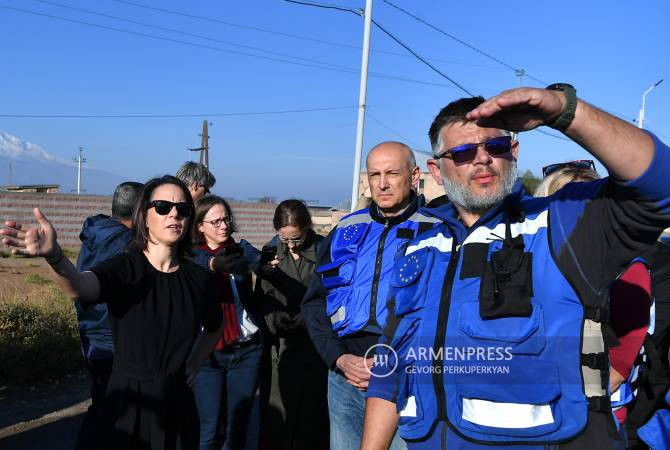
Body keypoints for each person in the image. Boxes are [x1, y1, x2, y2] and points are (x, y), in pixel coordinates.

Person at [361, 86, 670, 449]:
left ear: (514, 152)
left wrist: (565, 112)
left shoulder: (560, 224)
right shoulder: (420, 248)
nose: (482, 160)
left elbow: (659, 189)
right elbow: (392, 364)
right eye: (462, 153)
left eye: (494, 147)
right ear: (437, 170)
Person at [1, 175, 224, 450]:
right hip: (125, 402)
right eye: (163, 207)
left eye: (183, 209)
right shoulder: (126, 267)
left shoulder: (199, 279)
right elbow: (82, 287)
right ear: (143, 216)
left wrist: (193, 364)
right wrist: (55, 256)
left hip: (176, 405)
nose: (174, 214)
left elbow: (215, 326)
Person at [302, 141, 441, 450]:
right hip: (345, 377)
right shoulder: (345, 230)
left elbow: (449, 312)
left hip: (407, 378)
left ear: (414, 176)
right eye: (375, 174)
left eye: (392, 173)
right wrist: (339, 357)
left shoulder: (439, 231)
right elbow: (314, 303)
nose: (382, 183)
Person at [537, 164, 670, 448]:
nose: (574, 221)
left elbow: (618, 369)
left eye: (588, 209)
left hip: (591, 416)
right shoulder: (530, 265)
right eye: (564, 209)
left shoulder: (628, 271)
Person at [73, 180, 143, 450]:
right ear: (139, 212)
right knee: (113, 410)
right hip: (112, 334)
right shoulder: (125, 243)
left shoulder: (96, 232)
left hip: (91, 331)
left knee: (103, 402)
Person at [191, 194, 264, 450]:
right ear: (200, 226)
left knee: (237, 428)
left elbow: (262, 263)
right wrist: (214, 264)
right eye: (216, 222)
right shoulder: (191, 259)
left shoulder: (239, 251)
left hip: (247, 350)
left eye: (226, 219)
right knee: (209, 430)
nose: (224, 225)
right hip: (208, 356)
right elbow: (195, 262)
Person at [256, 199, 329, 449]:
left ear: (308, 227)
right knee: (279, 421)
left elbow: (337, 295)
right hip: (282, 347)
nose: (291, 246)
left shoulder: (325, 249)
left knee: (312, 420)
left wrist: (311, 318)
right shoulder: (271, 251)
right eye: (285, 239)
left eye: (296, 239)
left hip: (317, 347)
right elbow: (263, 297)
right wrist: (273, 317)